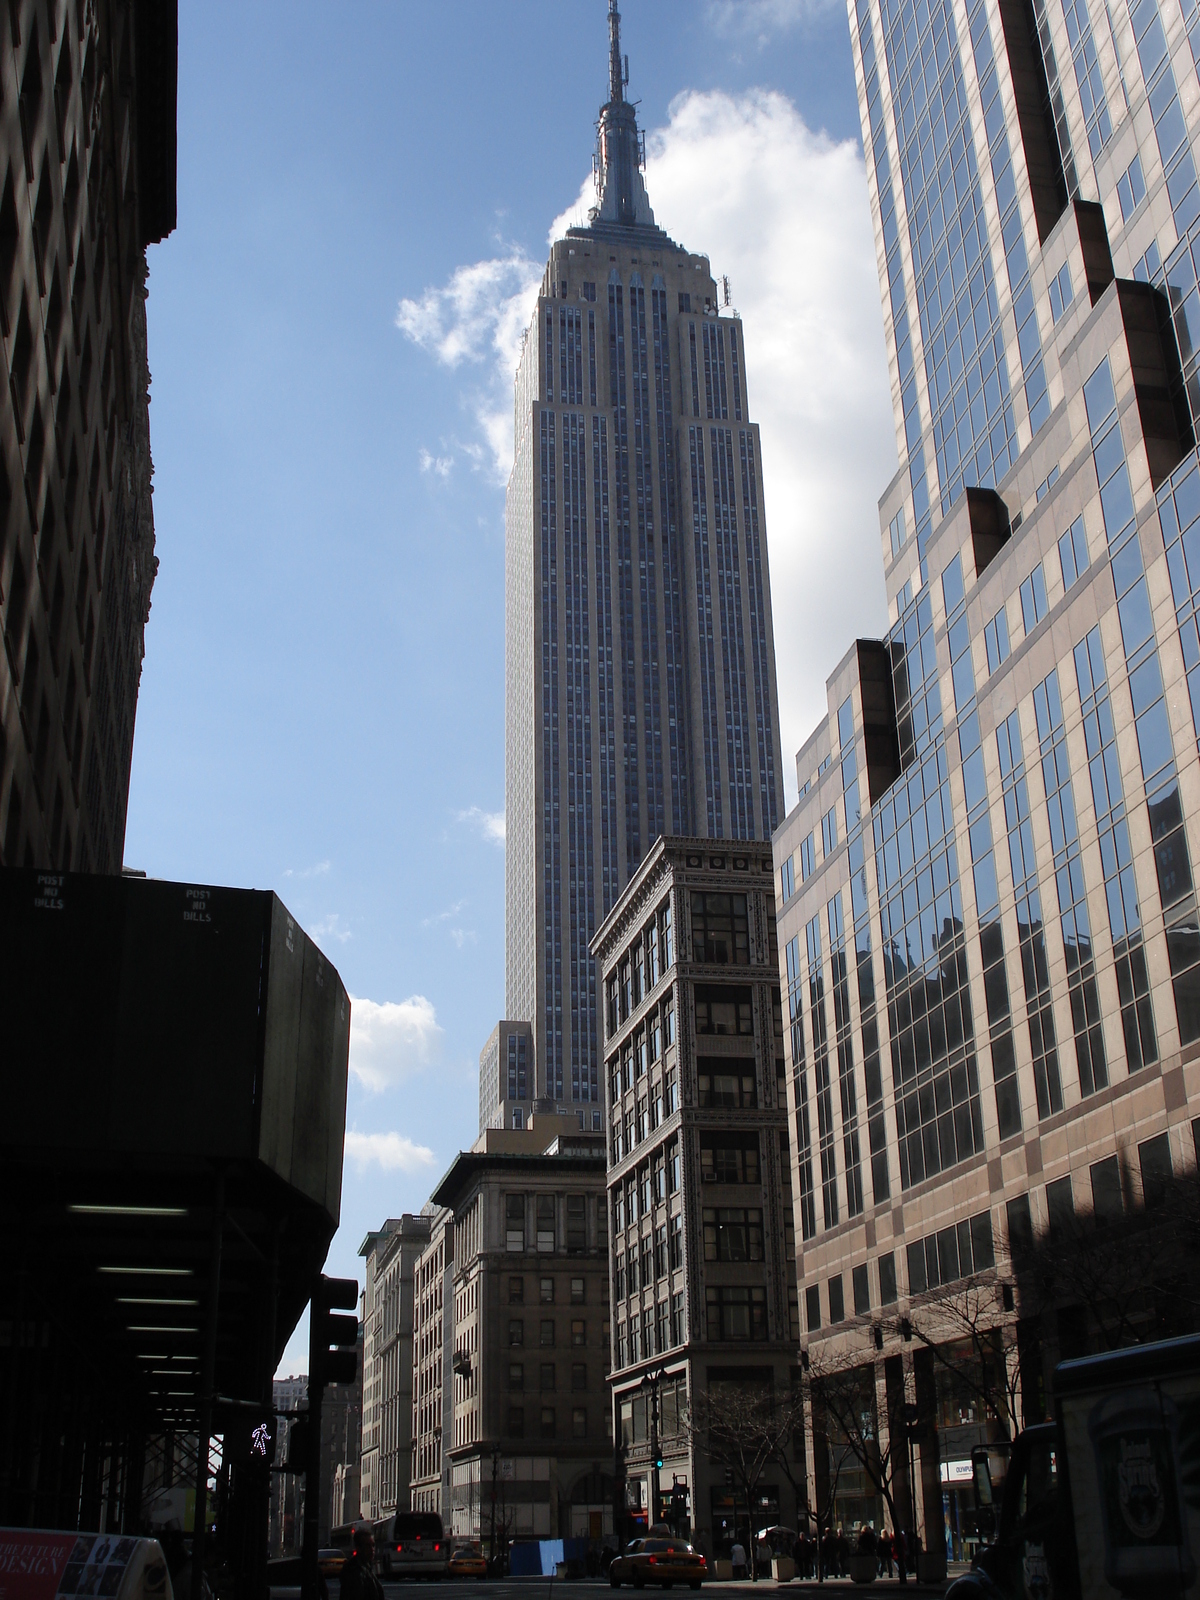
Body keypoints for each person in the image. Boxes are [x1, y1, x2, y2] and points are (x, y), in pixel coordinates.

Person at [340, 1524, 383, 1600]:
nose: (372, 1549)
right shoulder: (353, 1571)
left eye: (373, 1545)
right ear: (358, 1548)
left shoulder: (367, 1567)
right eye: (367, 1546)